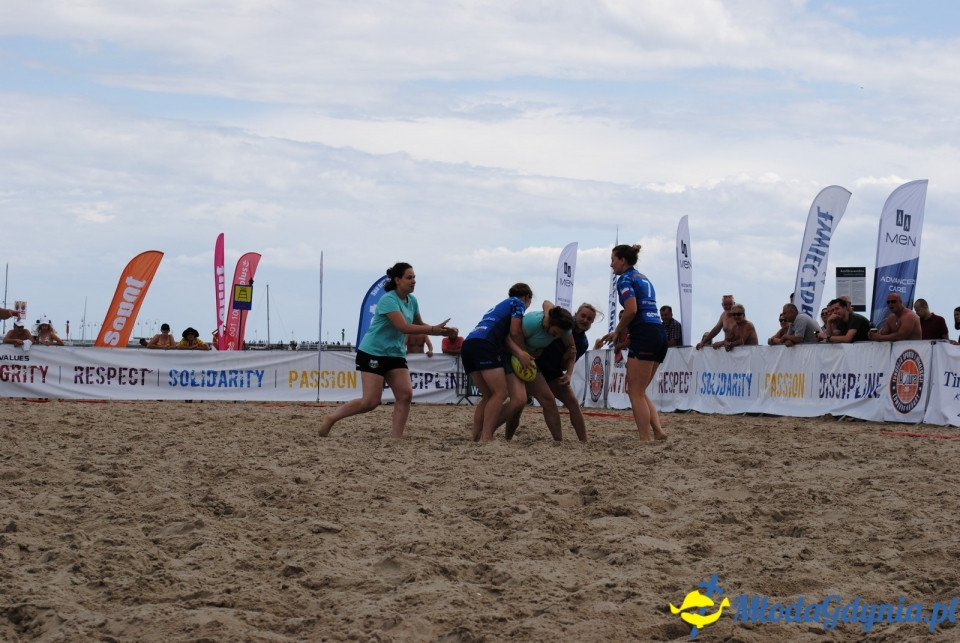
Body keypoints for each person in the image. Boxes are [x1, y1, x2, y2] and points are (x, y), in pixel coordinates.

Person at [319, 263, 456, 439]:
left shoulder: (412, 301)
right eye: (409, 277)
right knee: (370, 402)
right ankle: (331, 418)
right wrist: (432, 330)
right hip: (373, 352)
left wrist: (444, 331)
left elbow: (420, 324)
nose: (414, 281)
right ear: (397, 280)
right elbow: (404, 327)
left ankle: (396, 439)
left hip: (395, 353)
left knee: (405, 395)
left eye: (414, 277)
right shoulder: (388, 300)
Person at [597, 244, 668, 442]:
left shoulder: (625, 279)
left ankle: (645, 438)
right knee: (640, 390)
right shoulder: (642, 277)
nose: (611, 265)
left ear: (622, 260)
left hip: (646, 333)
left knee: (634, 391)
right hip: (657, 331)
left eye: (613, 260)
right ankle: (659, 432)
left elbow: (631, 310)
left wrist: (618, 331)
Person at [460, 283, 533, 442]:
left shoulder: (499, 306)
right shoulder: (518, 303)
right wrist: (523, 352)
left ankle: (476, 436)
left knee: (488, 395)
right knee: (500, 393)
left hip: (469, 343)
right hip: (485, 344)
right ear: (527, 297)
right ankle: (486, 437)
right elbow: (515, 331)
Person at [517, 302, 597, 442]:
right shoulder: (563, 322)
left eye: (589, 319)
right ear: (575, 314)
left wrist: (568, 372)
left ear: (592, 323)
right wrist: (547, 316)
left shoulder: (583, 342)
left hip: (553, 370)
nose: (585, 320)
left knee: (573, 402)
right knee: (519, 403)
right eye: (583, 316)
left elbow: (565, 363)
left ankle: (584, 441)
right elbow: (547, 303)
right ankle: (505, 435)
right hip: (535, 364)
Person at [503, 302, 577, 442]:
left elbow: (572, 349)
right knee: (517, 403)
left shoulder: (565, 329)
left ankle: (558, 441)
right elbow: (508, 337)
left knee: (548, 400)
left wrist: (569, 373)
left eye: (559, 335)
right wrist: (522, 353)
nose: (556, 337)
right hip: (512, 356)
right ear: (550, 322)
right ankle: (491, 433)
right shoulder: (533, 322)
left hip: (529, 361)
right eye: (555, 333)